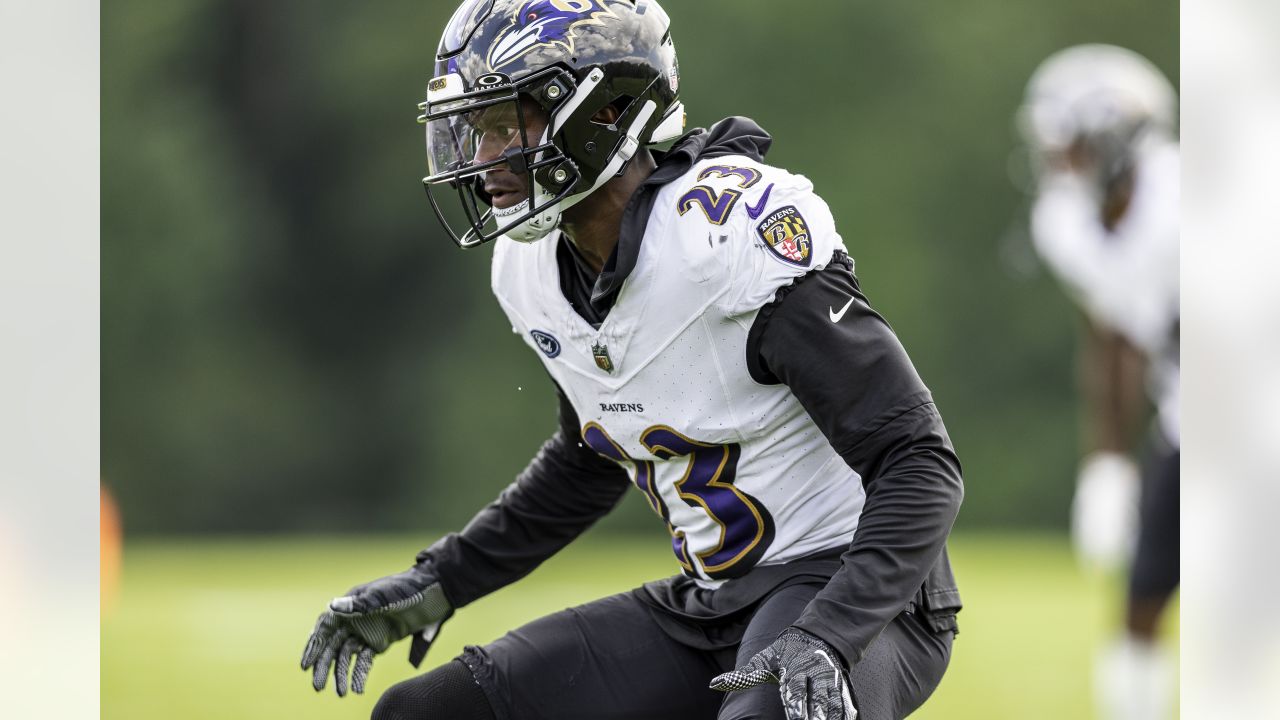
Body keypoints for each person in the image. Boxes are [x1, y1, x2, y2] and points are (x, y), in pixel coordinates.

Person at [301, 2, 964, 718]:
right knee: (427, 712)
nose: (483, 159)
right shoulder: (532, 271)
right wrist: (443, 579)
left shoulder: (726, 237)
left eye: (506, 125)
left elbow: (918, 460)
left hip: (855, 596)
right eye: (475, 130)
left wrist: (830, 633)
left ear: (606, 112)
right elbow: (589, 459)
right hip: (709, 606)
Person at [1018, 44, 1180, 720]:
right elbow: (1113, 331)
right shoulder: (1065, 225)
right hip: (1192, 413)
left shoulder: (1186, 198)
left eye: (1074, 146)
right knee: (1144, 585)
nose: (1061, 164)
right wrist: (1108, 461)